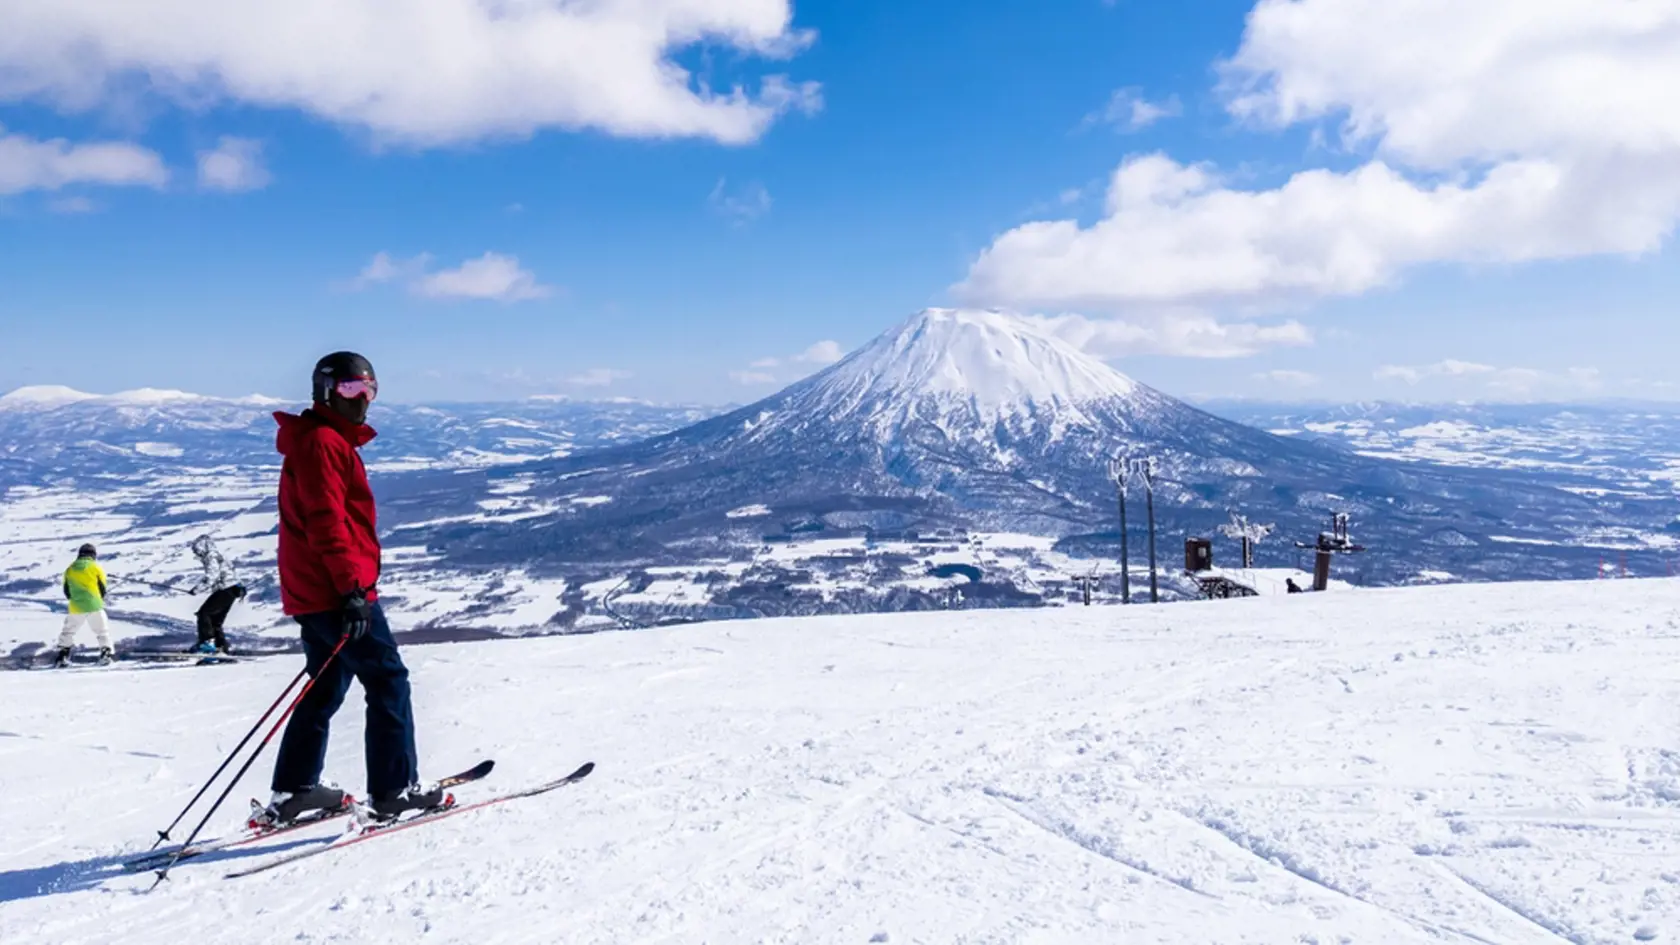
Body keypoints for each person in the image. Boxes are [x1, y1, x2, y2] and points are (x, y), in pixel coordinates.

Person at [258, 351, 444, 826]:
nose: (362, 400)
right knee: (388, 680)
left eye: (368, 390)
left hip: (316, 591)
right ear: (324, 392)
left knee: (325, 685)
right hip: (336, 592)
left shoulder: (323, 440)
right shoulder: (323, 443)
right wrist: (352, 592)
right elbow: (327, 523)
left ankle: (295, 790)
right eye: (349, 390)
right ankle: (394, 791)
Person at [57, 543, 113, 666]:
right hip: (94, 605)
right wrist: (98, 598)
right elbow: (102, 588)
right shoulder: (96, 567)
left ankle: (62, 656)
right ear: (93, 555)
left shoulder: (70, 569)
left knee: (68, 632)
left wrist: (77, 599)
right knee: (102, 631)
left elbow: (67, 591)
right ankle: (106, 654)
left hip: (76, 607)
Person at [192, 583, 246, 654]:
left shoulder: (230, 596)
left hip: (211, 618)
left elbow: (223, 613)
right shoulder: (226, 594)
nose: (240, 596)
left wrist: (219, 623)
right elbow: (207, 611)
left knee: (215, 630)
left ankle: (220, 649)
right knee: (208, 631)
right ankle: (210, 648)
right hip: (206, 616)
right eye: (241, 593)